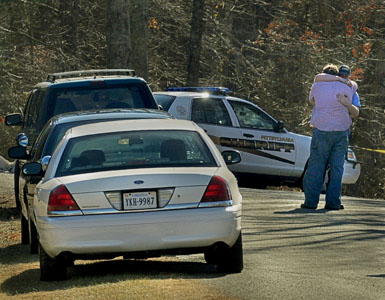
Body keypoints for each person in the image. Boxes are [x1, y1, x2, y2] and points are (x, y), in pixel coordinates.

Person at [301, 64, 360, 210]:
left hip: (321, 130)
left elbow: (312, 101)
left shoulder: (317, 85)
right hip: (341, 132)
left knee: (316, 166)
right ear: (341, 75)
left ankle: (310, 202)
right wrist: (346, 104)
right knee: (337, 167)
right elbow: (356, 113)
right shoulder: (350, 88)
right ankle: (333, 202)